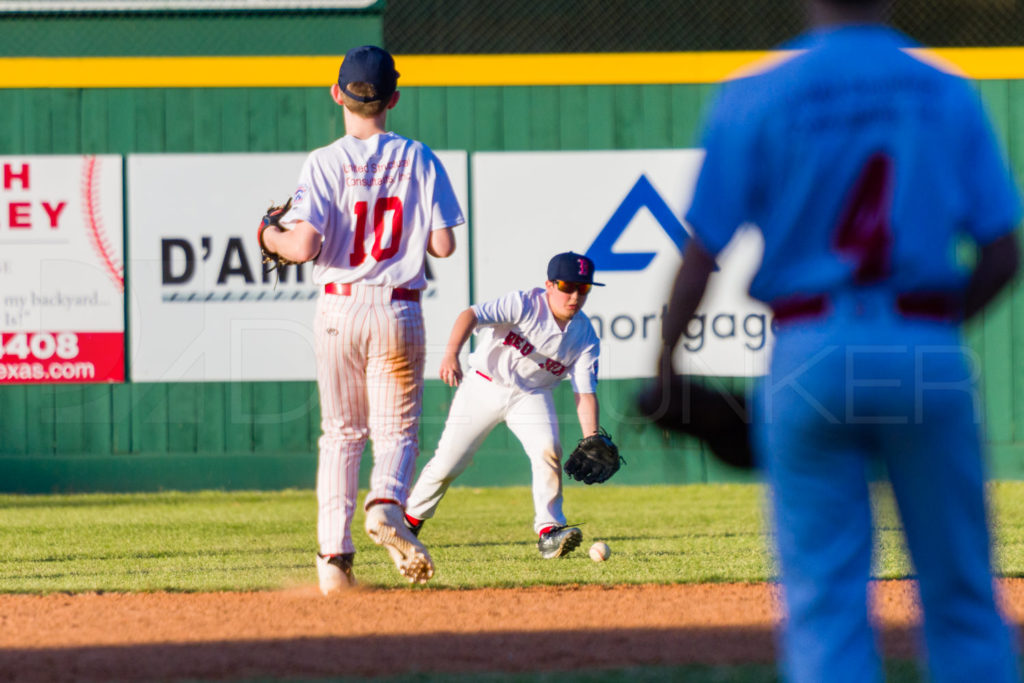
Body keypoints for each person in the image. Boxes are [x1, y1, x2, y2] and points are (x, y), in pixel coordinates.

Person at [653, 1, 1022, 680]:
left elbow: (701, 257)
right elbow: (1002, 253)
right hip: (921, 341)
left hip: (809, 348)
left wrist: (665, 364)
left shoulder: (755, 93)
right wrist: (925, 333)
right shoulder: (945, 88)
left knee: (824, 604)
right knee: (963, 595)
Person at [259, 45, 465, 592]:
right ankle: (386, 504)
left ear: (337, 93)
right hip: (398, 305)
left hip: (338, 307)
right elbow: (442, 245)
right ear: (394, 98)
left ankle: (333, 562)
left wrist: (266, 234)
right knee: (395, 429)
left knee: (340, 435)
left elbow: (301, 246)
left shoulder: (324, 160)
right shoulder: (419, 156)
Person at [404, 252, 603, 559]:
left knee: (548, 449)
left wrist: (591, 436)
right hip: (484, 384)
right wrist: (450, 355)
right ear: (549, 285)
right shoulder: (525, 303)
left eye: (584, 289)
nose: (575, 296)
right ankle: (408, 522)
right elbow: (470, 314)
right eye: (567, 286)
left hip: (531, 395)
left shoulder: (585, 335)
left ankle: (549, 532)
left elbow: (585, 391)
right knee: (448, 464)